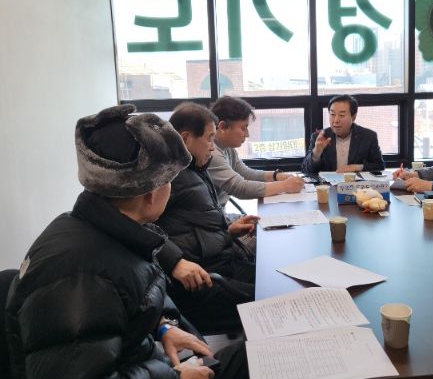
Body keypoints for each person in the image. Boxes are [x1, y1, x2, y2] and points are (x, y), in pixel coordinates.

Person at [4, 104, 248, 378]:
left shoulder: (109, 230)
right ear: (152, 192)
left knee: (250, 356)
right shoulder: (83, 278)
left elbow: (127, 303)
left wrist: (162, 327)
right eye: (169, 180)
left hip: (148, 359)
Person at [156, 102, 258, 332]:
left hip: (223, 261)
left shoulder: (195, 170)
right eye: (210, 139)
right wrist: (174, 261)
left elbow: (193, 226)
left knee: (276, 276)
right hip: (205, 279)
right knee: (273, 295)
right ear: (185, 139)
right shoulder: (169, 178)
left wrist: (229, 230)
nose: (213, 147)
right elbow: (137, 226)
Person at [209, 96, 304, 209]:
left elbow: (246, 174)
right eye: (243, 128)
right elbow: (240, 188)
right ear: (223, 127)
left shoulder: (228, 148)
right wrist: (285, 186)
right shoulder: (211, 153)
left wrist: (277, 176)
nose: (247, 134)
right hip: (215, 219)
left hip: (220, 216)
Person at [302, 94, 385, 174]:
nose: (336, 120)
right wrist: (316, 153)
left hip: (355, 183)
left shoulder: (368, 136)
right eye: (332, 114)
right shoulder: (320, 137)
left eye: (341, 115)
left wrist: (356, 167)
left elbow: (379, 166)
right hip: (327, 184)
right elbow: (306, 170)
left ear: (353, 117)